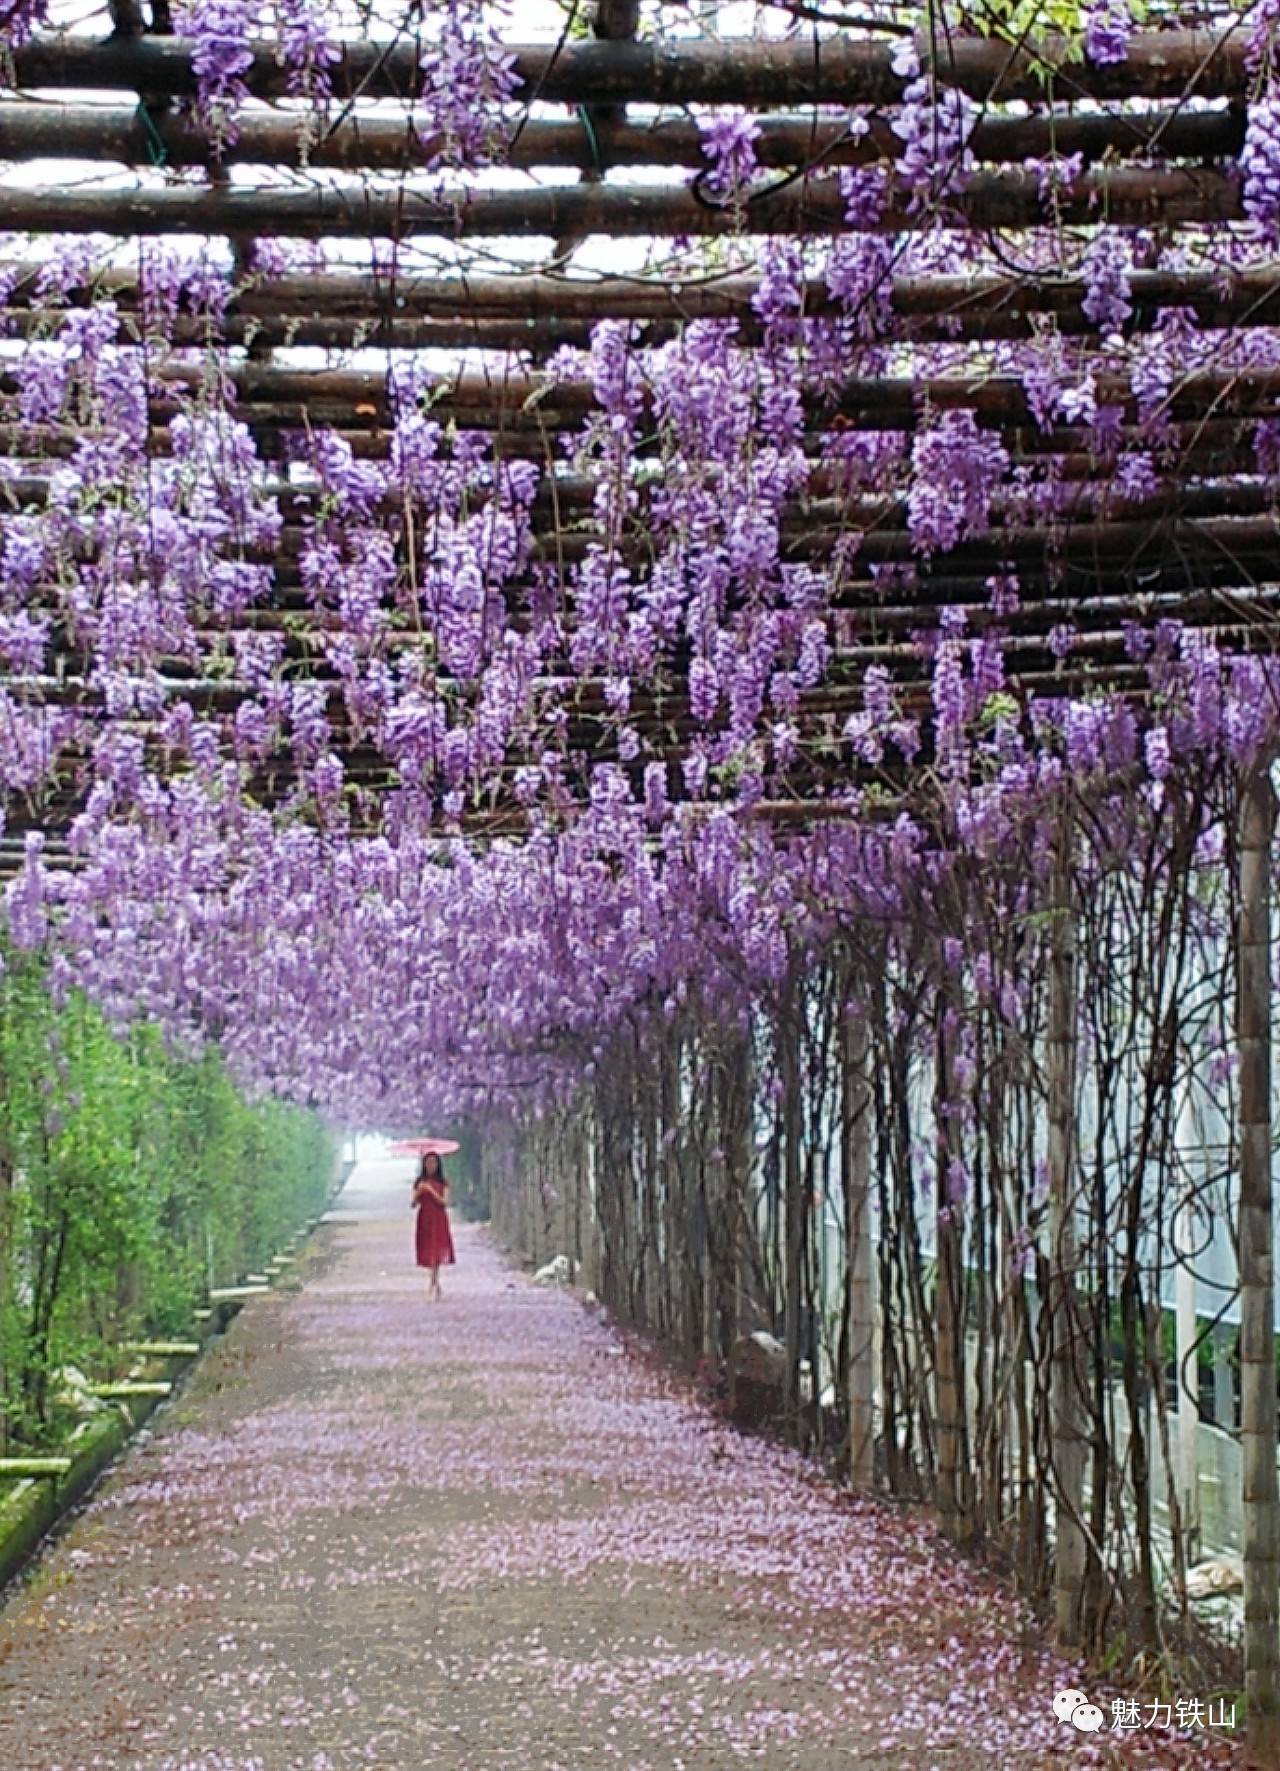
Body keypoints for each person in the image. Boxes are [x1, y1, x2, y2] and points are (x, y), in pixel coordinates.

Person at [412, 1151, 456, 1300]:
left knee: (436, 1250)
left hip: (438, 1217)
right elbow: (413, 1204)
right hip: (424, 1218)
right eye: (428, 1162)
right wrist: (419, 1192)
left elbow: (444, 1202)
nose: (431, 1165)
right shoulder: (420, 1182)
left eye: (434, 1162)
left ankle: (433, 1284)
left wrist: (431, 1191)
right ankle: (436, 1284)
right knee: (428, 1249)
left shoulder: (443, 1182)